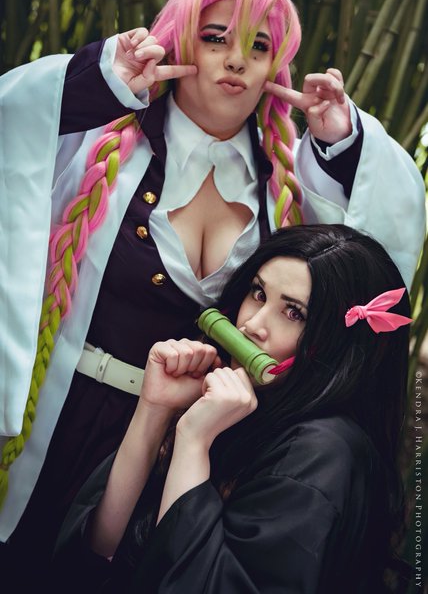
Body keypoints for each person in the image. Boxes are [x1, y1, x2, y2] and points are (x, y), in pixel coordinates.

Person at [0, 0, 424, 575]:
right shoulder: (95, 141)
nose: (237, 60)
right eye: (216, 37)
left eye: (259, 45)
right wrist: (102, 80)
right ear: (178, 42)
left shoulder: (292, 181)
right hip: (60, 419)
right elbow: (14, 126)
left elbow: (370, 260)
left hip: (186, 441)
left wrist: (341, 142)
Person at [52, 224, 413, 594]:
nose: (252, 325)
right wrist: (154, 409)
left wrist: (194, 441)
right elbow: (93, 554)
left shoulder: (322, 451)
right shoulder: (242, 409)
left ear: (339, 347)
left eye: (294, 313)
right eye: (259, 293)